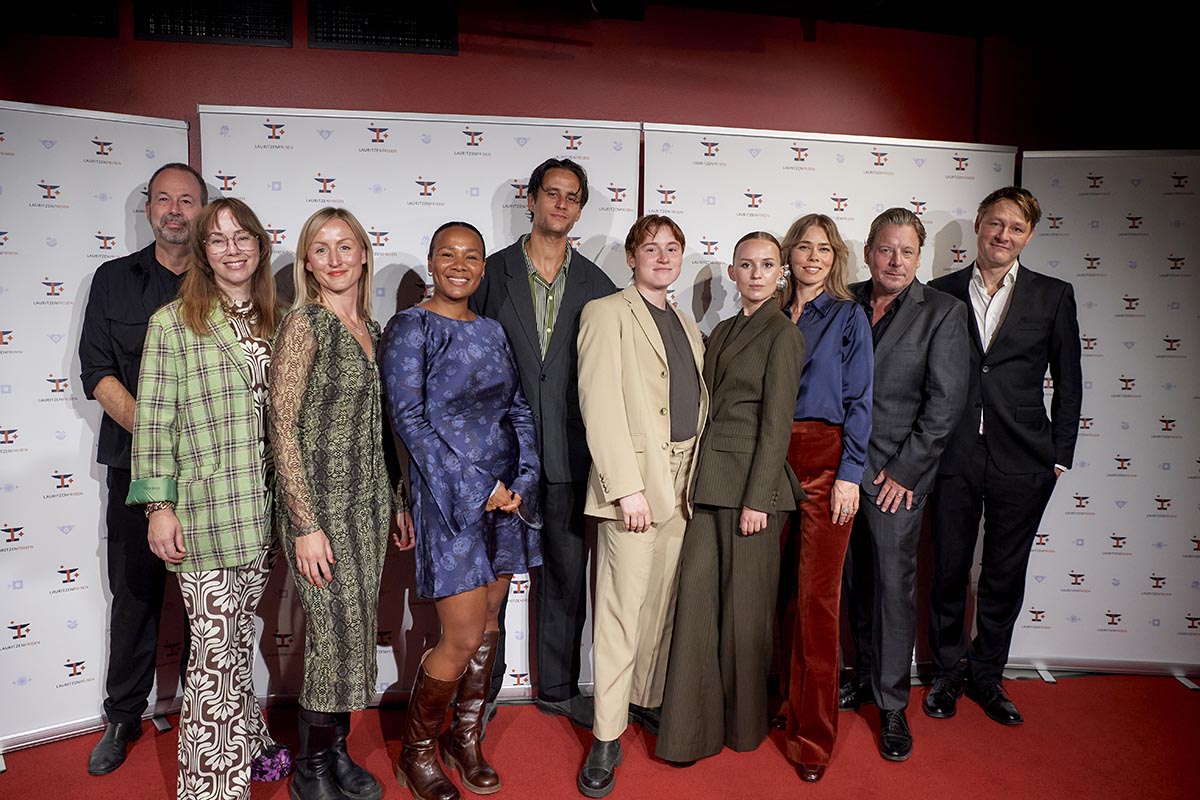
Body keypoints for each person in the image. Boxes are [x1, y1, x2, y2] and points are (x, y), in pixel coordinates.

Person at [127, 197, 290, 797]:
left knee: (237, 640)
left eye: (242, 237)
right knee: (215, 657)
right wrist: (158, 507)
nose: (232, 249)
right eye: (218, 240)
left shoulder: (280, 320)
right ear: (203, 252)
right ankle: (210, 789)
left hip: (264, 513)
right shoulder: (173, 323)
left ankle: (250, 745)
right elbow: (154, 424)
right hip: (205, 515)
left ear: (260, 246)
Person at [381, 221, 542, 800]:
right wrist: (480, 487)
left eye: (471, 256)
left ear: (482, 267)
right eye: (447, 254)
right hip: (450, 498)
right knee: (462, 633)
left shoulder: (492, 330)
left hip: (505, 499)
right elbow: (409, 421)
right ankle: (416, 752)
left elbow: (517, 408)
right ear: (431, 261)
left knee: (490, 620)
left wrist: (523, 477)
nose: (459, 264)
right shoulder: (411, 327)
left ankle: (464, 739)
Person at [270, 208, 414, 800]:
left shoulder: (373, 329)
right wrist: (304, 524)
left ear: (363, 254)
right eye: (321, 248)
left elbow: (382, 428)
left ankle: (337, 753)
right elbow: (282, 427)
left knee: (355, 635)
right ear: (307, 261)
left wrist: (398, 499)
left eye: (345, 246)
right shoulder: (304, 324)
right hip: (319, 508)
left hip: (369, 505)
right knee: (332, 636)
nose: (334, 259)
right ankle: (310, 769)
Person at [925, 187, 1082, 725]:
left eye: (1016, 228)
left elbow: (1069, 381)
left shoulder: (1053, 295)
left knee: (1004, 573)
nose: (1003, 235)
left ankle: (988, 674)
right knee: (948, 568)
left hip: (1025, 456)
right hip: (953, 453)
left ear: (1029, 236)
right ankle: (946, 673)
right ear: (979, 224)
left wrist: (1059, 456)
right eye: (996, 223)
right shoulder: (941, 292)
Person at [471, 158, 617, 728]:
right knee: (490, 583)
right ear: (530, 200)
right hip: (500, 459)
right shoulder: (489, 274)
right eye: (551, 193)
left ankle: (557, 687)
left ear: (579, 210)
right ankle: (479, 696)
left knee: (564, 576)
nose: (560, 204)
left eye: (571, 196)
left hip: (570, 454)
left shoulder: (598, 286)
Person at [655, 232, 804, 764]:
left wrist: (758, 498)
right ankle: (690, 732)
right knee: (697, 607)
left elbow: (777, 424)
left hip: (752, 491)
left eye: (767, 264)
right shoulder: (721, 329)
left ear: (781, 273)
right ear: (733, 272)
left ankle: (743, 729)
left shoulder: (783, 333)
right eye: (747, 264)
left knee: (745, 614)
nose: (757, 273)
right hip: (708, 483)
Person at [575, 214, 708, 798]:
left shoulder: (686, 322)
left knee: (658, 609)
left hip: (681, 482)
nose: (663, 256)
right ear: (631, 257)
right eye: (650, 248)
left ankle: (644, 701)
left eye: (672, 248)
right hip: (635, 485)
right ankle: (606, 734)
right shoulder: (606, 313)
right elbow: (598, 403)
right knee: (621, 613)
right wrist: (625, 488)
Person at [78, 162, 204, 776]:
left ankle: (210, 710)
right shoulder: (112, 279)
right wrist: (159, 439)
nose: (174, 210)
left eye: (187, 200)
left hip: (211, 474)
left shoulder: (223, 279)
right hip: (133, 467)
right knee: (134, 594)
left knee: (211, 597)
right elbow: (97, 373)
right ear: (149, 208)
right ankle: (124, 714)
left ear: (202, 210)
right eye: (164, 199)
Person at [840, 208, 968, 762]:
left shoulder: (943, 312)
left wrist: (906, 471)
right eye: (886, 250)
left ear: (920, 257)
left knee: (893, 590)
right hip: (839, 472)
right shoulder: (841, 299)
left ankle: (892, 704)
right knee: (850, 584)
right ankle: (862, 676)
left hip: (895, 478)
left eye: (907, 252)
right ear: (869, 251)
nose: (896, 261)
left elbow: (945, 405)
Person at [775, 215, 874, 782]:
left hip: (825, 461)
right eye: (804, 247)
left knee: (817, 602)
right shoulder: (770, 311)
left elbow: (861, 398)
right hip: (769, 461)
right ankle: (778, 706)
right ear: (789, 254)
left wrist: (849, 474)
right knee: (772, 595)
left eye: (825, 249)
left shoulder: (848, 315)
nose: (813, 257)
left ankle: (812, 739)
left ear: (836, 258)